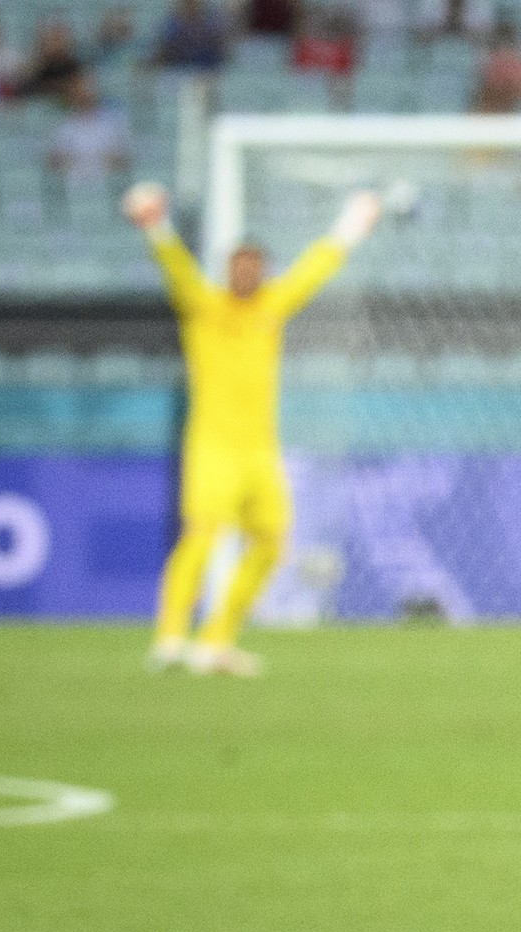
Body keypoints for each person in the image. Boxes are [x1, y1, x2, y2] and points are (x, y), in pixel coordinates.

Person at [123, 182, 382, 675]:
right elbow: (176, 269)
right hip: (212, 447)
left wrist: (351, 227)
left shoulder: (270, 307)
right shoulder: (205, 306)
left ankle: (216, 640)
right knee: (200, 535)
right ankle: (171, 637)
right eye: (239, 264)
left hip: (260, 451)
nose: (246, 271)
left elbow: (313, 269)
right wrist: (156, 226)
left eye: (254, 264)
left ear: (261, 270)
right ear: (228, 269)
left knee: (272, 543)